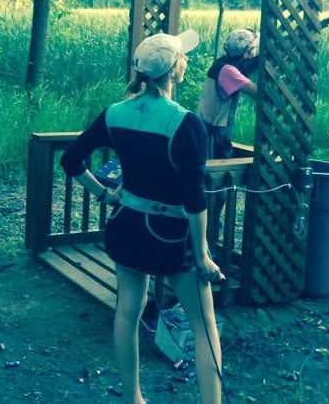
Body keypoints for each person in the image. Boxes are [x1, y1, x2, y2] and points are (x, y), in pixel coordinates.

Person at [60, 31, 224, 404]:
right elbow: (194, 195)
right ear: (175, 70)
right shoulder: (186, 123)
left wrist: (104, 194)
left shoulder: (115, 113)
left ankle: (133, 398)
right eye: (182, 57)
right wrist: (201, 254)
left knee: (127, 312)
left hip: (128, 223)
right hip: (171, 233)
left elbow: (71, 161)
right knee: (204, 327)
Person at [198, 28, 260, 160]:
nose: (255, 51)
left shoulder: (222, 63)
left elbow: (244, 67)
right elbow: (258, 93)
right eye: (253, 49)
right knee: (219, 166)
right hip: (216, 130)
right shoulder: (229, 71)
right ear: (246, 54)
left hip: (209, 126)